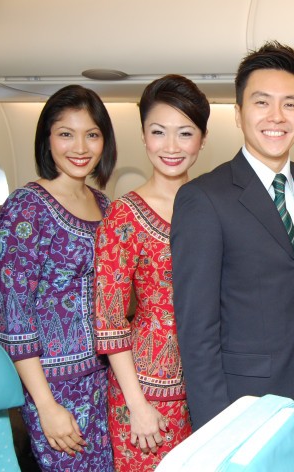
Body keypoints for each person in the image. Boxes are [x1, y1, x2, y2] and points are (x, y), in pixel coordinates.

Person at [170, 41, 294, 430]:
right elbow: (196, 333)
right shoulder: (203, 198)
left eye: (290, 104)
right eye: (262, 103)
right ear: (238, 113)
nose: (277, 116)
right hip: (243, 406)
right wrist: (217, 430)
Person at [0, 84, 116, 471]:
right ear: (47, 139)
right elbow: (14, 316)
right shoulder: (26, 207)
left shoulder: (104, 204)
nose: (80, 147)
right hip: (54, 386)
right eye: (66, 133)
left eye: (91, 134)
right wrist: (45, 406)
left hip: (104, 378)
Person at [94, 75, 209, 469]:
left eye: (185, 133)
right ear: (143, 136)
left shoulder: (214, 206)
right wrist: (137, 404)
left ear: (202, 139)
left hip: (205, 384)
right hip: (147, 390)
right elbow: (109, 320)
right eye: (158, 132)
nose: (171, 146)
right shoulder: (123, 215)